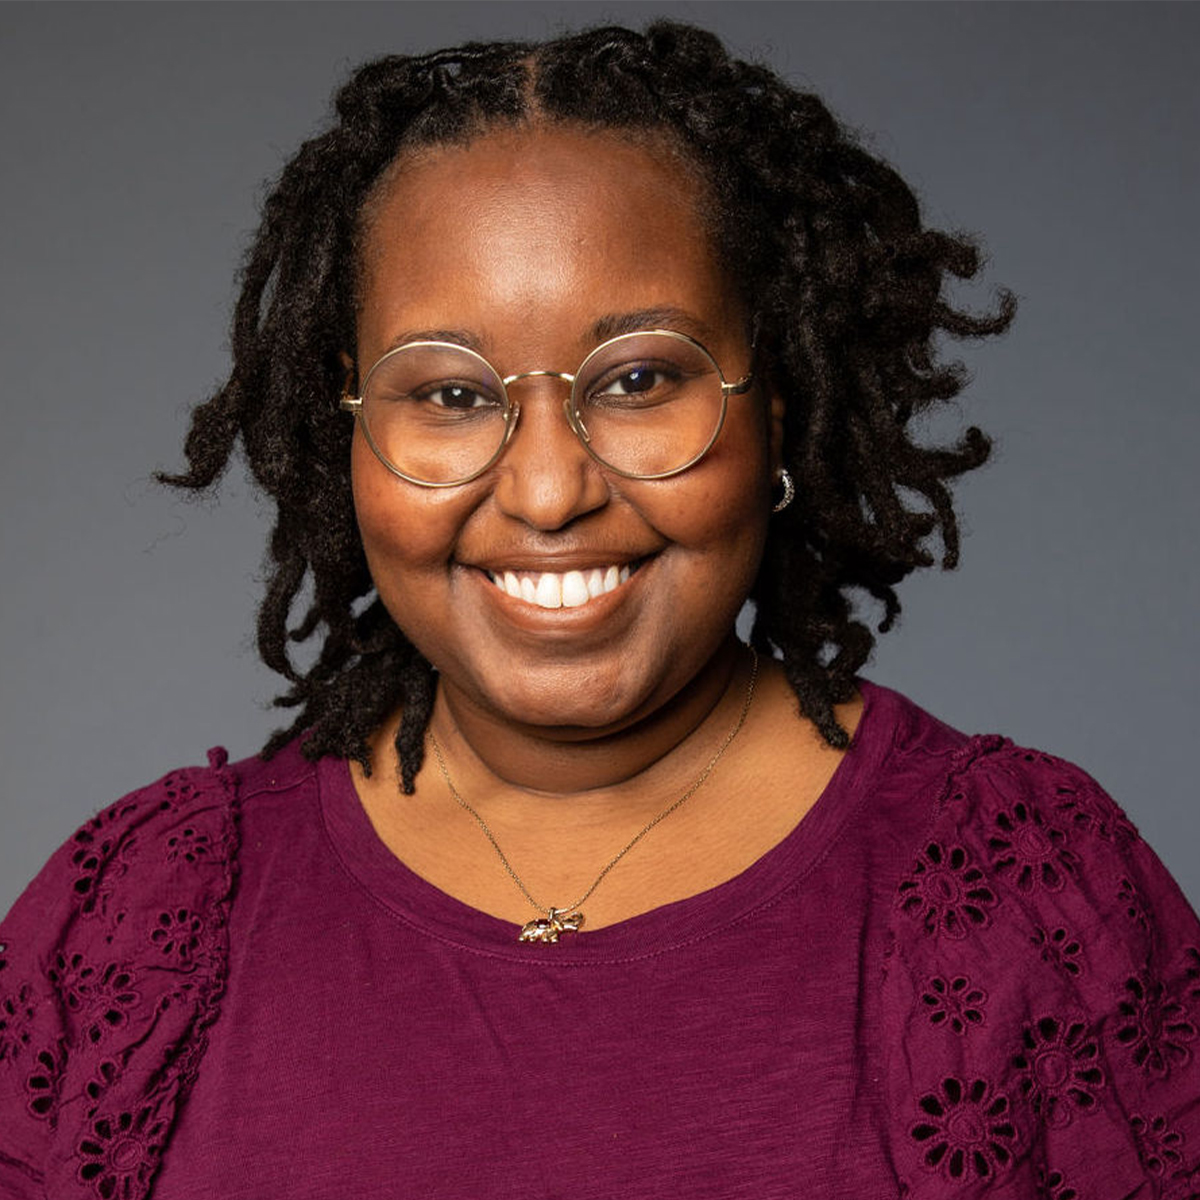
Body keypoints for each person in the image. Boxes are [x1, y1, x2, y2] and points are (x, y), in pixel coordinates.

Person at [1, 19, 1197, 1199]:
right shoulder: (135, 926)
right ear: (349, 434)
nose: (547, 489)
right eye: (452, 394)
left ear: (773, 407)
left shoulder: (1033, 900)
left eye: (637, 379)